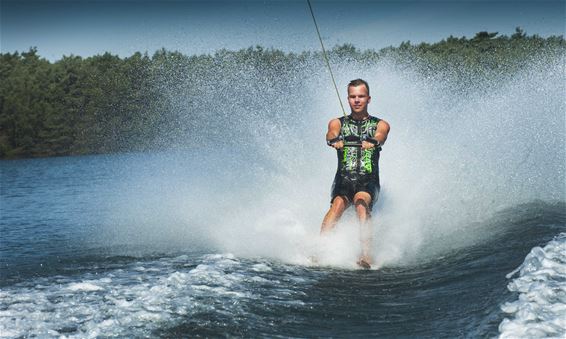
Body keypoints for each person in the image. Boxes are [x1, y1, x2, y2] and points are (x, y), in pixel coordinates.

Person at [321, 78, 390, 269]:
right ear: (348, 99)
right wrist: (334, 139)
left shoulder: (380, 124)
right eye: (353, 97)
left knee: (360, 203)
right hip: (343, 179)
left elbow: (381, 136)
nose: (357, 100)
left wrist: (374, 142)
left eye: (361, 96)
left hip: (368, 180)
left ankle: (366, 255)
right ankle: (321, 250)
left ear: (368, 98)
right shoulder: (337, 123)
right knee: (338, 205)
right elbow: (330, 133)